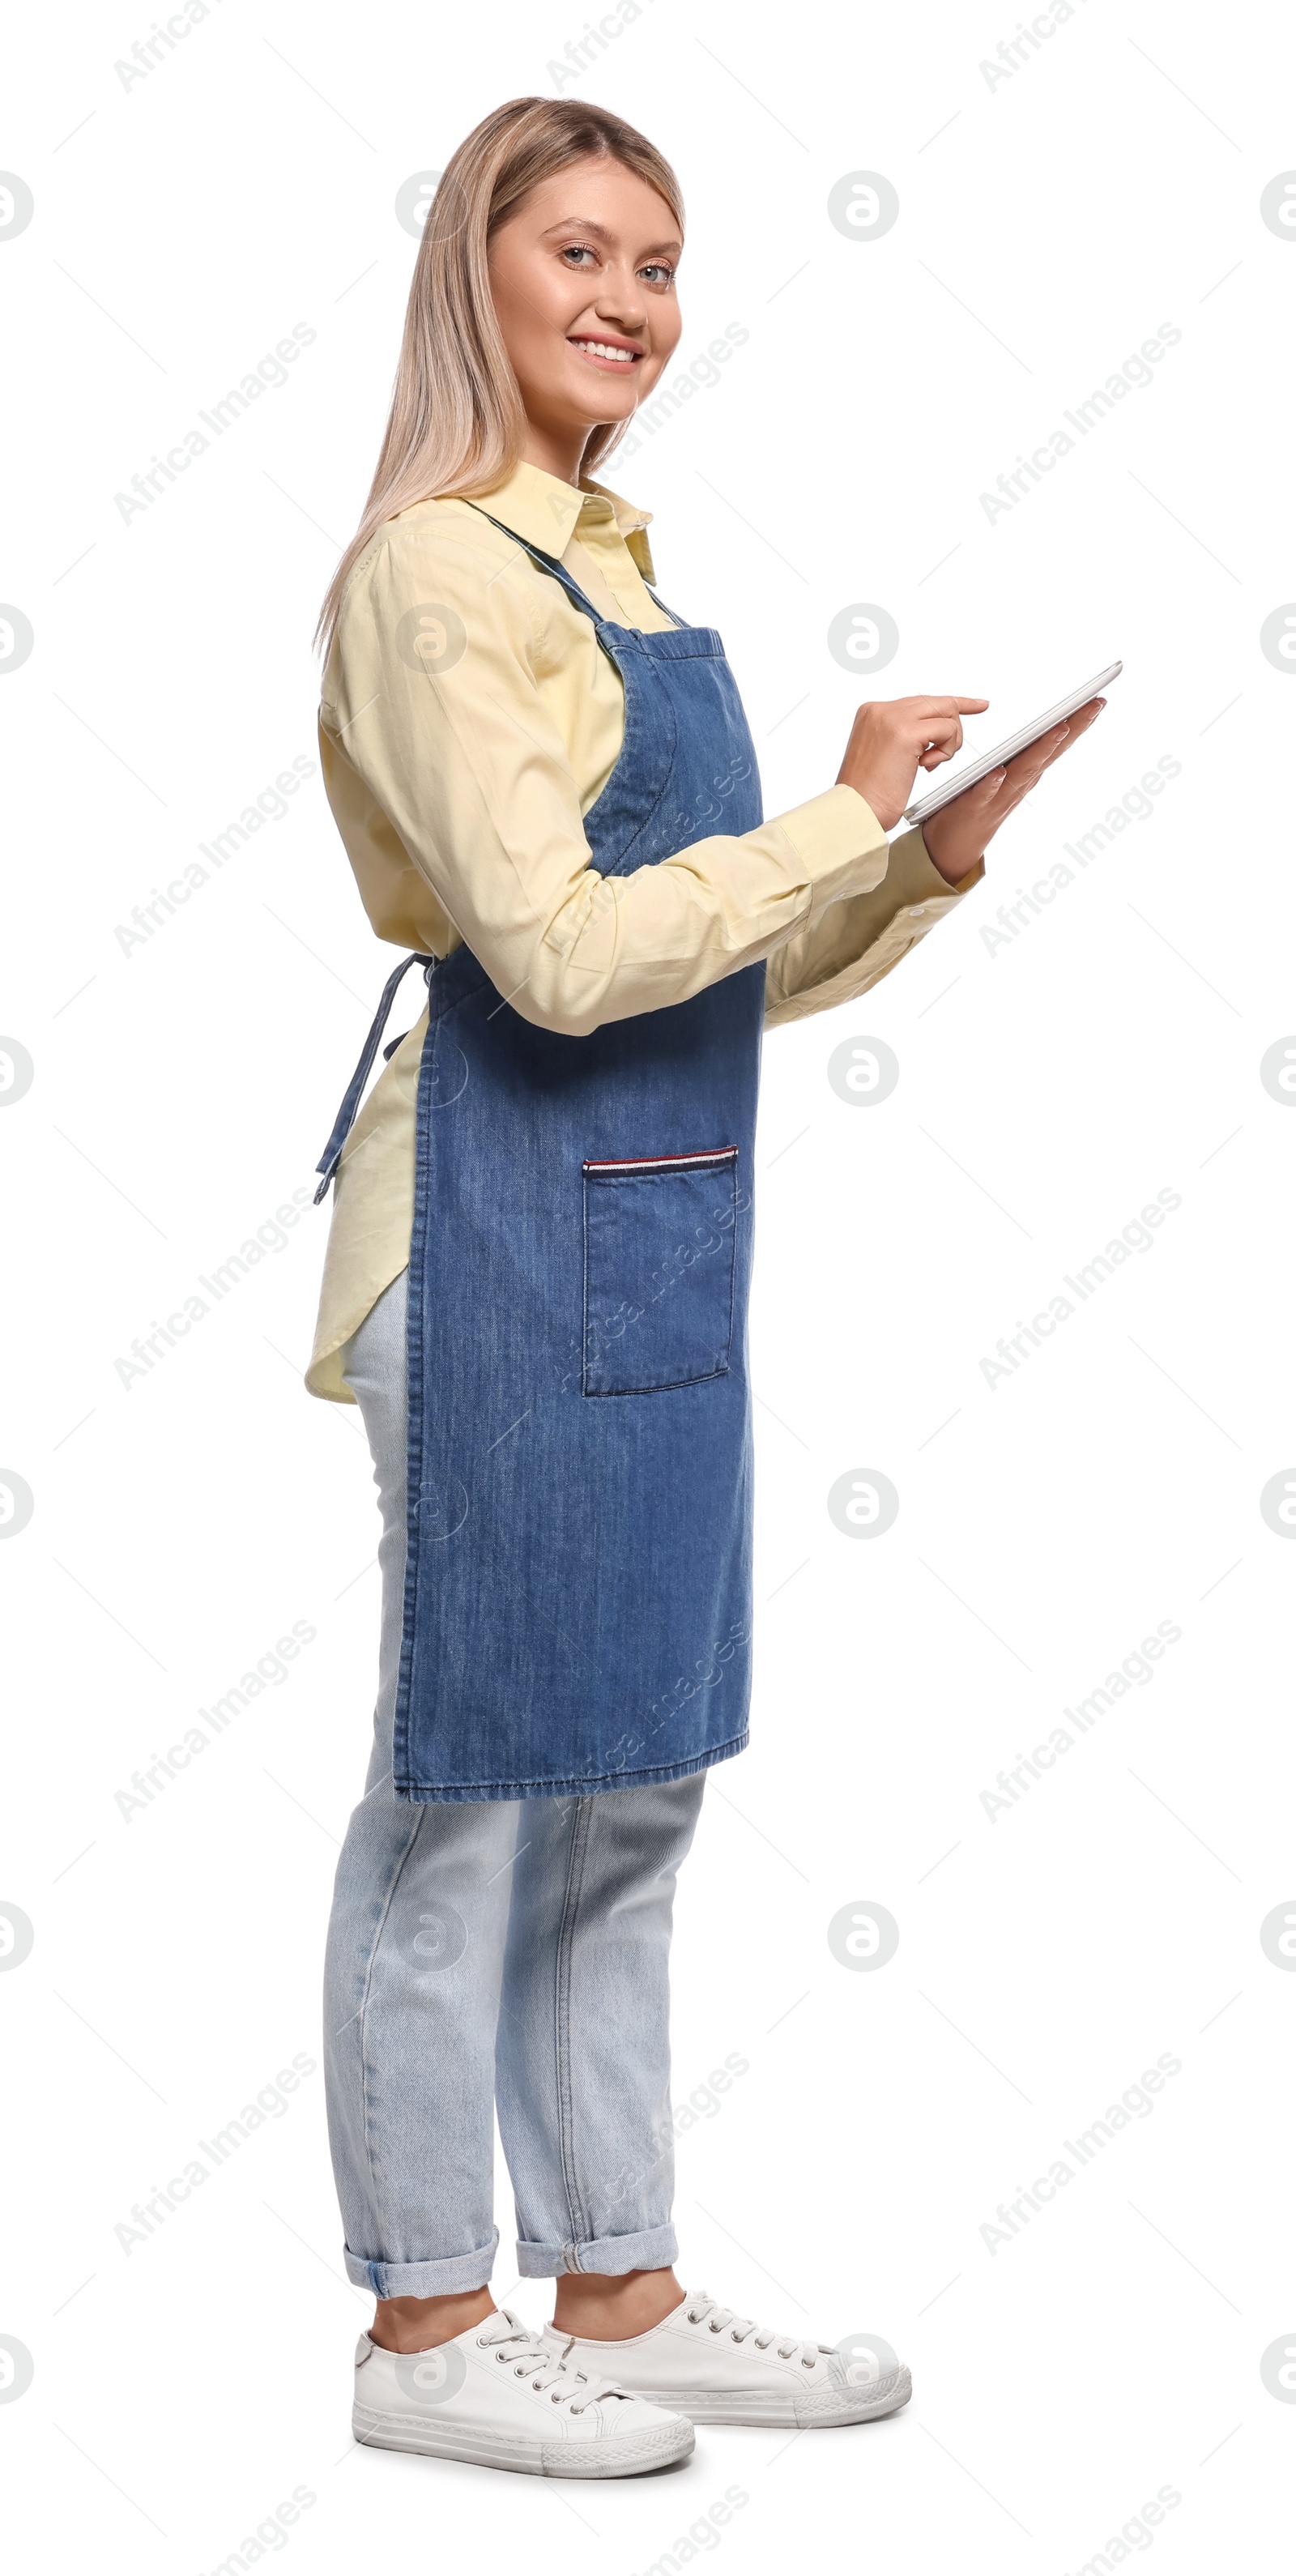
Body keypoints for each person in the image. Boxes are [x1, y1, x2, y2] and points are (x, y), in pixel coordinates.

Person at [306, 96, 1104, 2479]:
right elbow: (550, 965)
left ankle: (618, 2279)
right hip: (486, 1226)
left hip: (647, 1213)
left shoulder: (629, 577)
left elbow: (699, 981)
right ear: (479, 268)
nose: (631, 301)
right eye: (583, 250)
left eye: (662, 262)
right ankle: (427, 2320)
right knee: (471, 1775)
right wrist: (835, 816)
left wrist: (911, 861)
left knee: (632, 1776)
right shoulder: (438, 576)